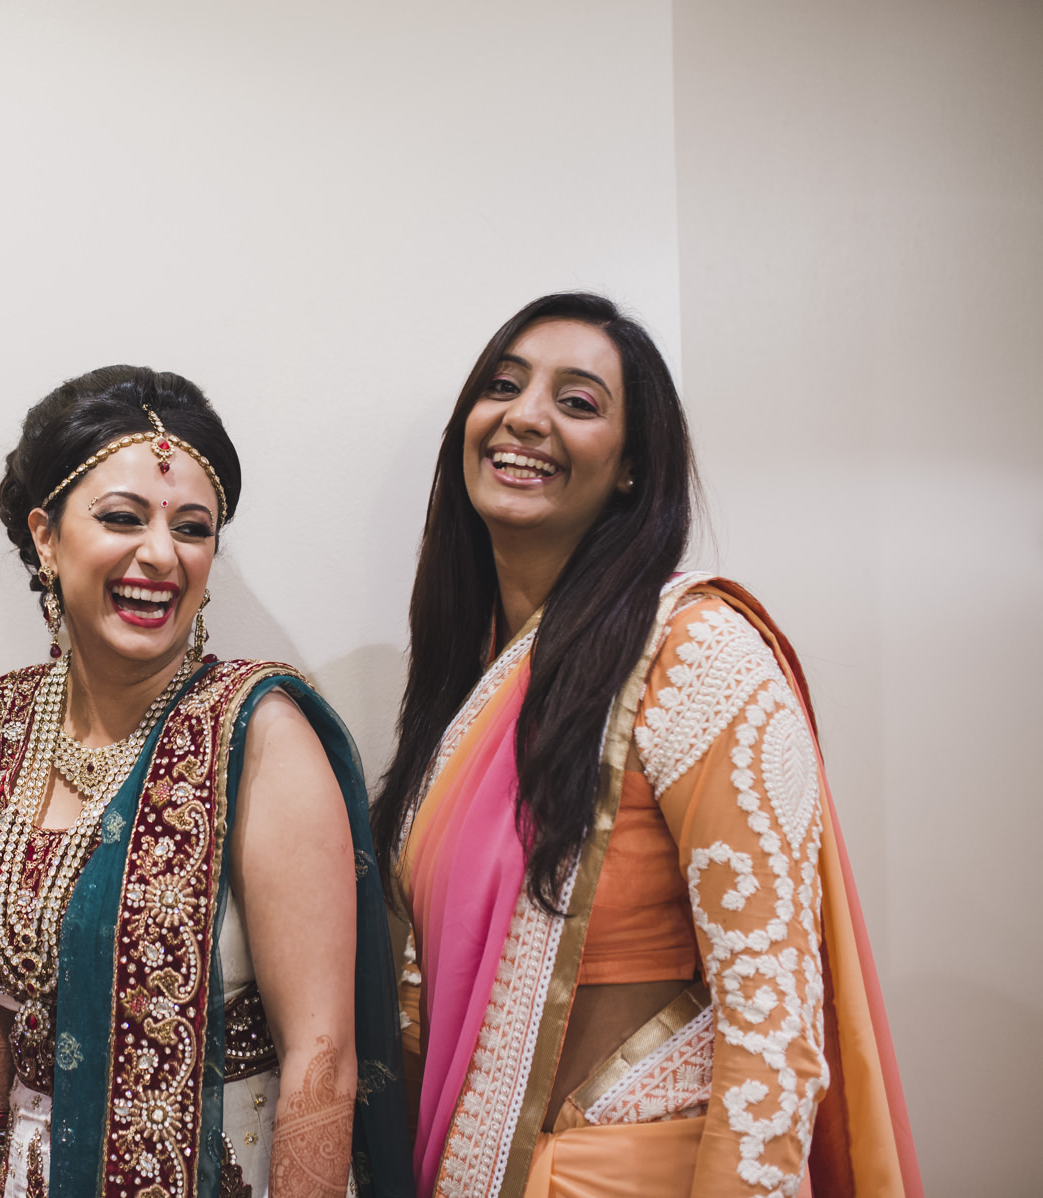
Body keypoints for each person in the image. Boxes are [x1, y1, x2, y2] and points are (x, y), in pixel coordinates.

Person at [372, 294, 922, 1197]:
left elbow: (773, 1027)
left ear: (632, 469)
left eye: (579, 402)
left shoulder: (693, 650)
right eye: (502, 386)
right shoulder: (467, 690)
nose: (525, 416)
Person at [0, 366, 412, 1198]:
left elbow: (322, 1056)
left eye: (192, 528)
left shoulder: (257, 733)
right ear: (45, 537)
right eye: (122, 517)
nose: (160, 554)